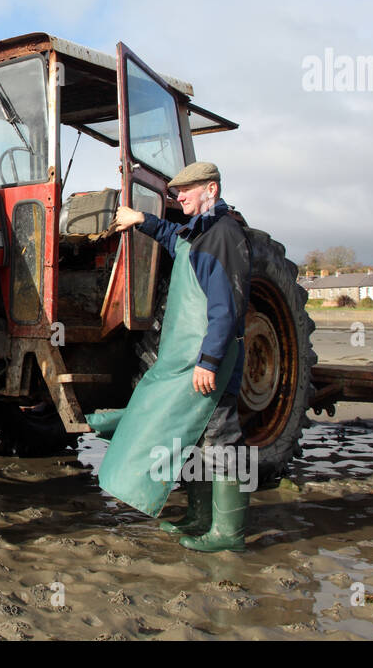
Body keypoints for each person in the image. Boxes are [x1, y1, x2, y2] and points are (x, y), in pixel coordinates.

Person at [86, 161, 253, 553]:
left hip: (211, 360)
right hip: (187, 361)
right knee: (194, 436)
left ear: (211, 189)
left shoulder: (224, 236)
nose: (178, 198)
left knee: (222, 437)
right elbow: (171, 236)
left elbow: (225, 308)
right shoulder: (199, 233)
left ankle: (229, 534)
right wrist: (139, 219)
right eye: (176, 192)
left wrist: (209, 361)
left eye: (186, 191)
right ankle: (199, 517)